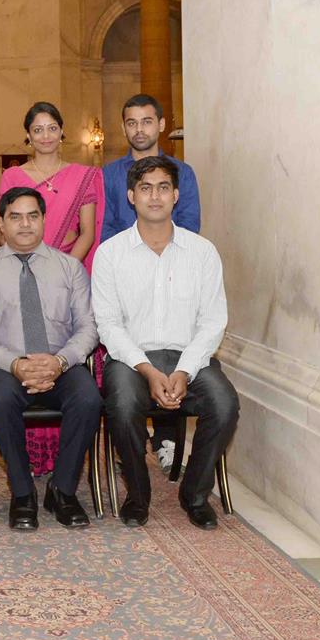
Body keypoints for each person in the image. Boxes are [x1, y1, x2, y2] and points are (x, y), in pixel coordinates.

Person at [93, 155, 238, 530]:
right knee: (123, 404)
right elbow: (107, 324)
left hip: (189, 357)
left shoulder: (202, 252)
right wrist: (147, 369)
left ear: (175, 195)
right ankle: (138, 496)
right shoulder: (109, 254)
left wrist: (185, 370)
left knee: (224, 404)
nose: (154, 196)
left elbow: (212, 322)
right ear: (131, 196)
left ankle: (194, 495)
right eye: (145, 188)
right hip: (131, 360)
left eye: (162, 188)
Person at [0, 188, 102, 530]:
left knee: (89, 399)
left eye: (32, 216)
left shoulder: (69, 267)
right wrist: (15, 364)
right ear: (1, 225)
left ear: (43, 220)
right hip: (6, 367)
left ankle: (63, 490)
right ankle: (22, 493)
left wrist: (61, 361)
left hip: (61, 363)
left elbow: (89, 326)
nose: (25, 224)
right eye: (15, 217)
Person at [0, 101, 103, 477]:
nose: (45, 135)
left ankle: (65, 467)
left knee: (67, 362)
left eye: (51, 128)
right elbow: (10, 230)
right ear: (28, 135)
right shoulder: (13, 177)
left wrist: (59, 271)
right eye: (37, 129)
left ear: (62, 132)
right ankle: (29, 461)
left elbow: (87, 232)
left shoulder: (83, 176)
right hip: (21, 275)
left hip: (65, 278)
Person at [100, 93, 200, 242]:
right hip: (123, 260)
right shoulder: (107, 175)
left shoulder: (182, 172)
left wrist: (161, 252)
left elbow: (189, 224)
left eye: (146, 122)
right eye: (132, 123)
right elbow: (104, 226)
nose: (139, 129)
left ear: (161, 125)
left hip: (172, 259)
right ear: (123, 128)